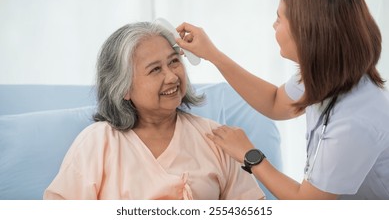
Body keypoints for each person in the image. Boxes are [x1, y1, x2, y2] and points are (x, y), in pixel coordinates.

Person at [175, 0, 389, 200]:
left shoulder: (355, 121)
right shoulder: (329, 71)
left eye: (279, 18)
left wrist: (249, 154)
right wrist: (212, 55)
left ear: (308, 33)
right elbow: (276, 102)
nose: (273, 26)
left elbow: (308, 205)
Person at [43, 21, 264, 200]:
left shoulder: (217, 140)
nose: (172, 77)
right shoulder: (97, 143)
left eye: (174, 62)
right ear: (124, 88)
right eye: (155, 69)